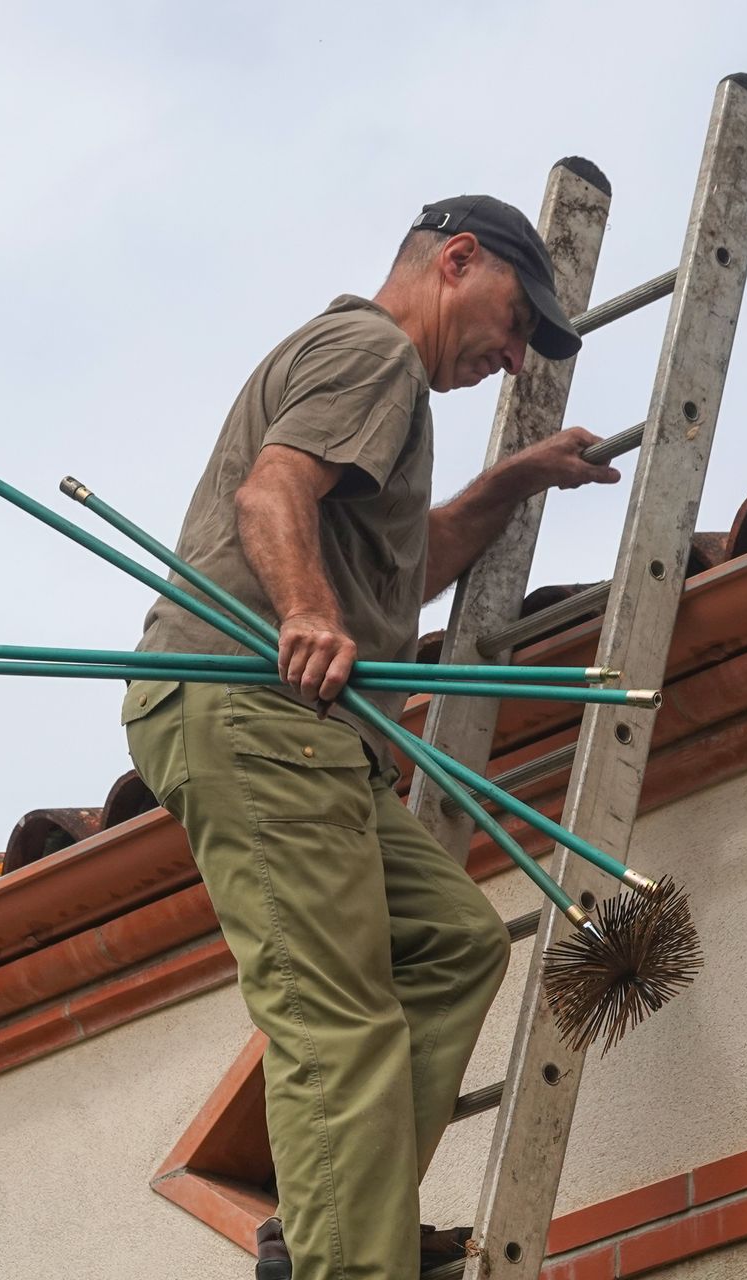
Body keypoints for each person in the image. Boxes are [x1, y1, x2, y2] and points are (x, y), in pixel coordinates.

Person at [122, 194, 621, 1280]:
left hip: (299, 729)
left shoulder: (389, 391)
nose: (519, 352)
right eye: (518, 318)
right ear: (457, 260)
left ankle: (339, 1226)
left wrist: (517, 478)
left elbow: (405, 562)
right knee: (337, 1016)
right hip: (259, 709)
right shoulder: (373, 354)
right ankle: (355, 1264)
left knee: (453, 943)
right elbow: (273, 494)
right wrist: (305, 609)